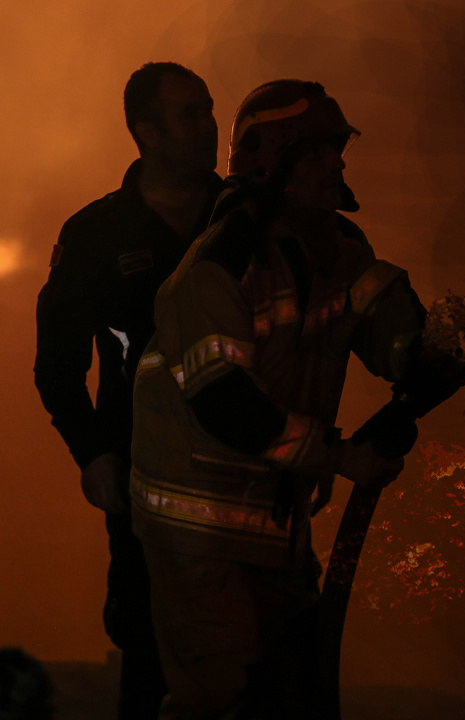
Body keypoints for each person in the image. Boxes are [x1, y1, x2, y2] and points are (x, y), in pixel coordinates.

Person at [128, 79, 465, 718]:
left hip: (276, 516)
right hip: (195, 524)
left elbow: (386, 327)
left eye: (336, 150)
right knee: (218, 696)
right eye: (316, 152)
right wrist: (341, 456)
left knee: (294, 691)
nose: (335, 164)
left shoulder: (338, 252)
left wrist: (431, 349)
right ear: (271, 161)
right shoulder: (220, 266)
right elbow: (224, 401)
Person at [34, 61, 223, 719]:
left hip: (243, 473)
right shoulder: (95, 235)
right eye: (188, 114)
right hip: (144, 481)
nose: (209, 128)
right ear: (146, 132)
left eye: (209, 109)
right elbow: (56, 367)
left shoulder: (247, 225)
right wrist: (94, 454)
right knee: (150, 652)